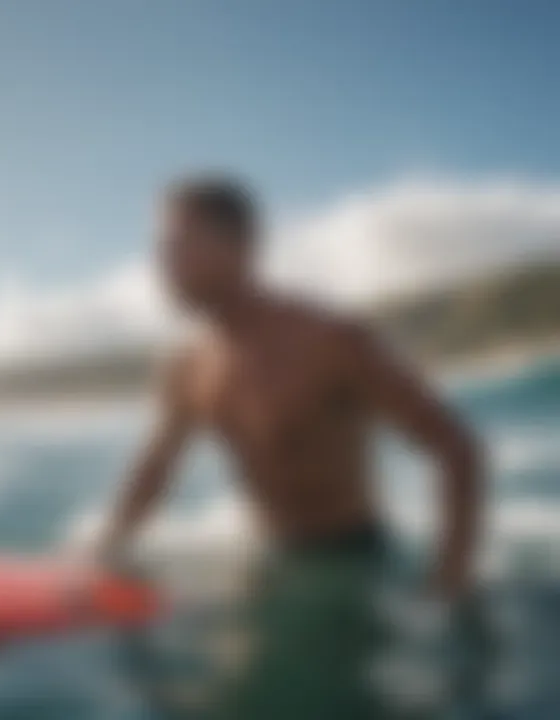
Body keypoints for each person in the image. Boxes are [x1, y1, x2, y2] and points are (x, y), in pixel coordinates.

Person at [97, 175, 484, 718]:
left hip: (352, 565)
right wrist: (102, 551)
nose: (161, 262)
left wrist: (450, 589)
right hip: (266, 564)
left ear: (239, 247)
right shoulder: (186, 366)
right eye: (160, 247)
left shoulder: (327, 339)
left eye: (177, 244)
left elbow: (457, 449)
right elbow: (155, 468)